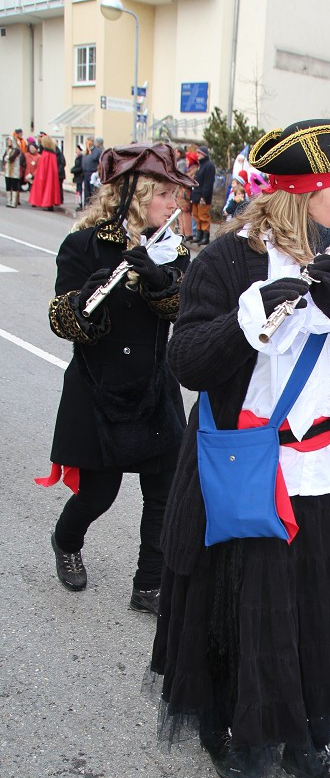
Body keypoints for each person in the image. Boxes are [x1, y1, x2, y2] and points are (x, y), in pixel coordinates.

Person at [148, 118, 330, 778]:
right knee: (248, 600)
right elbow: (186, 361)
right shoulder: (225, 262)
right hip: (245, 463)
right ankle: (244, 728)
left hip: (320, 464)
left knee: (318, 601)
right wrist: (245, 321)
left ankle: (307, 739)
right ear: (309, 192)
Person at [36, 143, 194, 612]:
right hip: (98, 384)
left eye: (175, 196)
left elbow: (182, 309)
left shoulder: (171, 249)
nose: (174, 204)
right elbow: (62, 320)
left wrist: (159, 280)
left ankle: (149, 584)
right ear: (138, 194)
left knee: (164, 491)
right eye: (165, 194)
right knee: (97, 495)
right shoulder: (83, 245)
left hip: (153, 385)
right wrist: (89, 299)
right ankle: (66, 541)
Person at [28, 135, 63, 210]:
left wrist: (38, 175)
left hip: (46, 175)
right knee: (50, 189)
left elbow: (42, 167)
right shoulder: (52, 153)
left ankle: (48, 204)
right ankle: (50, 204)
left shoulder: (46, 154)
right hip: (51, 175)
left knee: (47, 189)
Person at [190, 144, 215, 245]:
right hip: (196, 195)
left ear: (204, 154)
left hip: (203, 197)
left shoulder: (209, 166)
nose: (197, 155)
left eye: (199, 153)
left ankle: (205, 236)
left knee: (203, 216)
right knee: (196, 216)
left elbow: (208, 183)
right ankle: (199, 235)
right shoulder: (201, 165)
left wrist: (204, 196)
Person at [82, 136, 103, 205]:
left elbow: (100, 162)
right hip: (86, 174)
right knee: (87, 192)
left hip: (93, 174)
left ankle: (93, 206)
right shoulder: (87, 152)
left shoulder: (97, 151)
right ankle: (86, 205)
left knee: (93, 192)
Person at [3, 136, 22, 208]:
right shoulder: (7, 149)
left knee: (14, 186)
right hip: (8, 171)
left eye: (9, 141)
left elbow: (11, 158)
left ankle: (14, 202)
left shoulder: (17, 150)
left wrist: (7, 158)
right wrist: (7, 158)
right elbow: (4, 157)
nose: (8, 142)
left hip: (15, 171)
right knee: (8, 186)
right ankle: (8, 201)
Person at [70, 145, 85, 211]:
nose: (76, 151)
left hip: (80, 177)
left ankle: (81, 204)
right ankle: (79, 203)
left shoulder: (81, 158)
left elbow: (81, 167)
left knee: (80, 190)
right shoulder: (78, 157)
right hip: (77, 176)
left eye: (77, 149)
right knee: (78, 191)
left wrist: (74, 170)